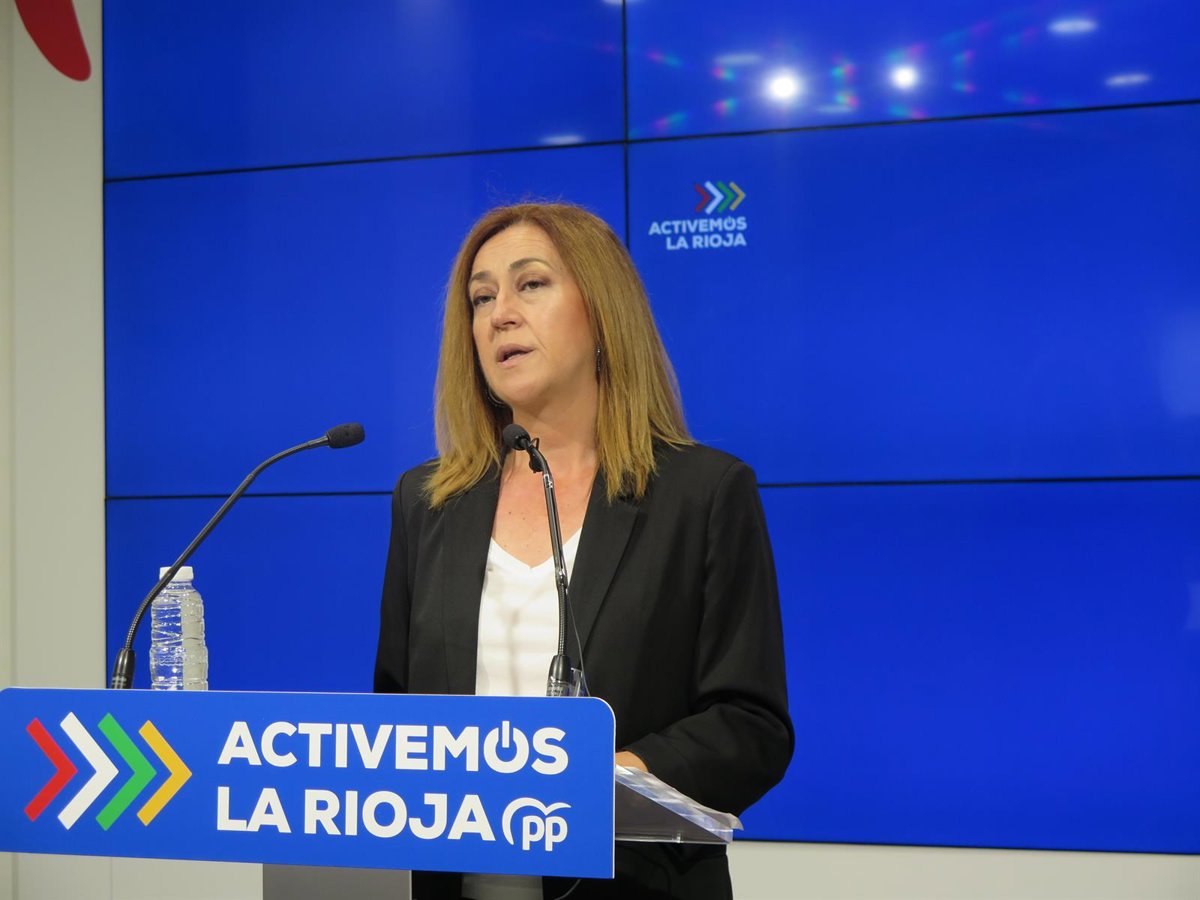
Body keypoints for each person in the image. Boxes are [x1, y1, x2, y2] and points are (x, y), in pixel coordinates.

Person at [375, 202, 793, 899]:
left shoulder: (702, 494)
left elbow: (750, 726)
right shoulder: (426, 503)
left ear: (601, 312)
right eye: (482, 298)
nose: (500, 315)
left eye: (530, 284)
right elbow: (394, 714)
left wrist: (607, 779)